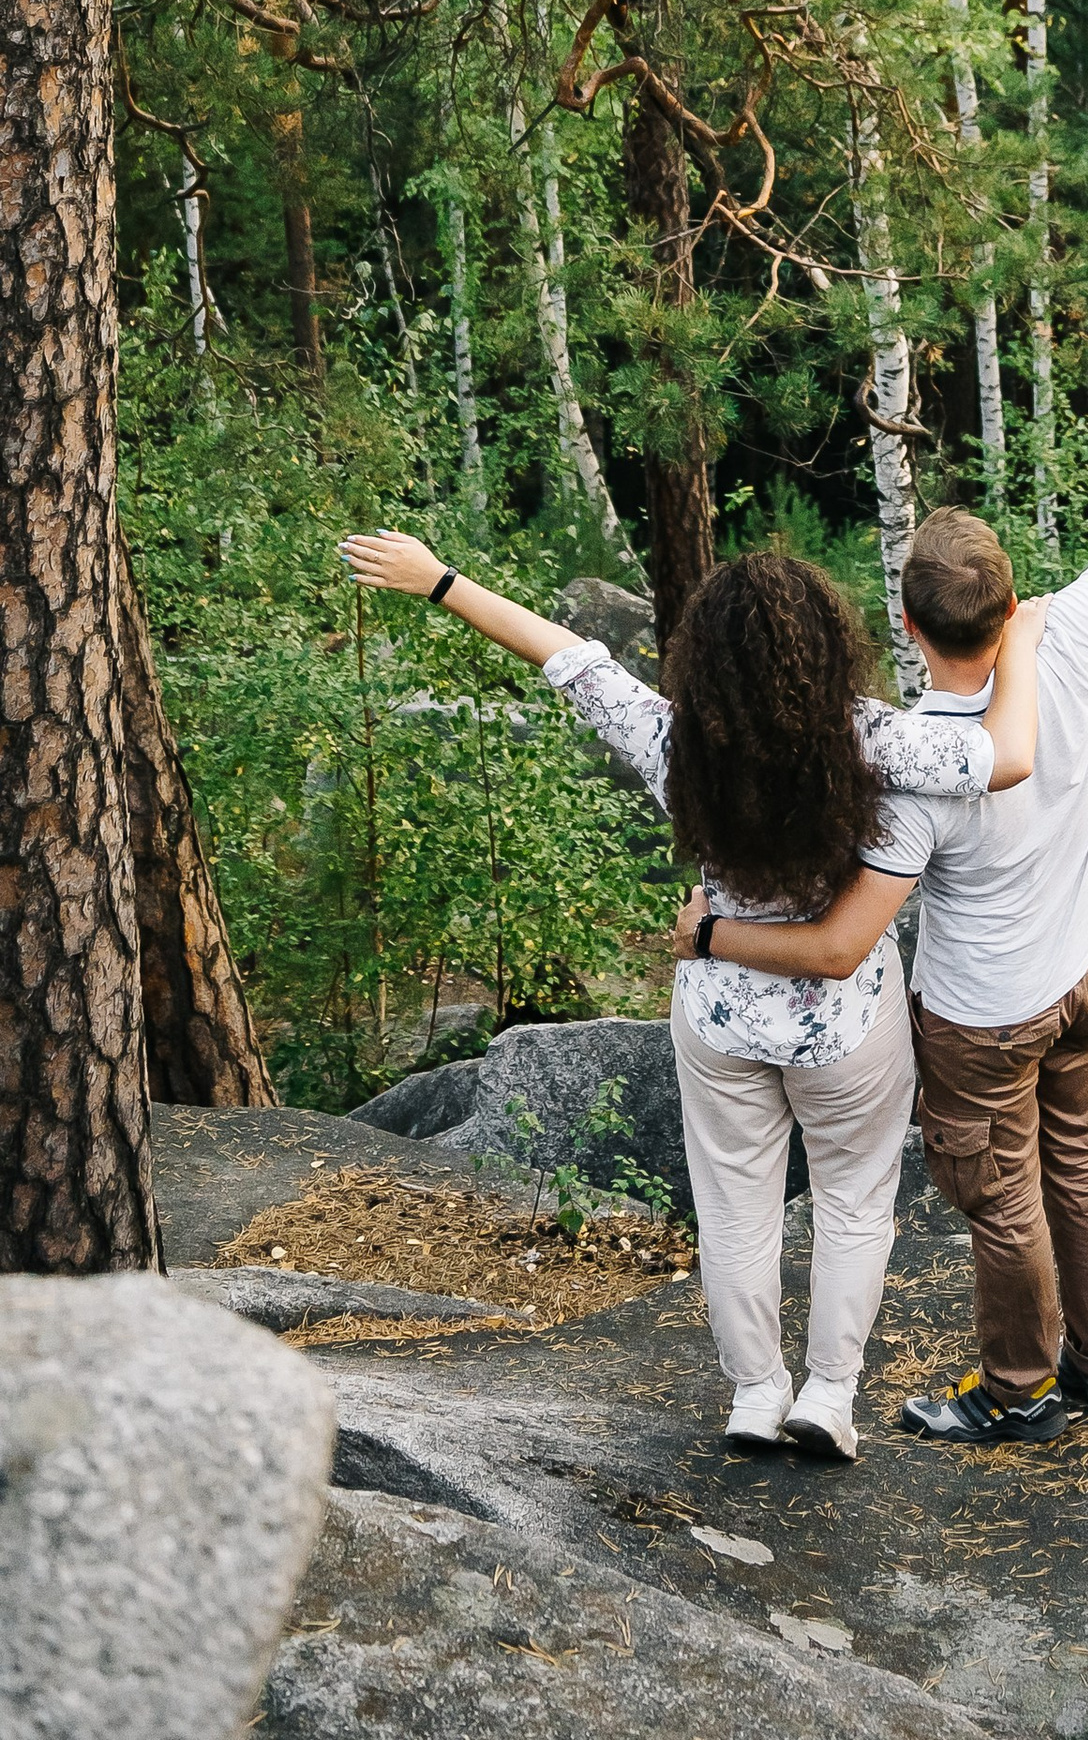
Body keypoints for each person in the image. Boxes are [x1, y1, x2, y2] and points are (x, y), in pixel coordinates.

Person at [697, 267, 1088, 1445]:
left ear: (911, 626)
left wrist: (712, 933)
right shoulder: (1067, 632)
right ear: (1010, 598)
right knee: (1082, 1152)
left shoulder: (906, 768)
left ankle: (1020, 1392)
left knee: (1006, 1197)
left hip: (982, 1016)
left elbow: (838, 946)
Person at [339, 525, 1040, 1462]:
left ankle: (755, 1392)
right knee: (854, 1203)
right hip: (845, 1028)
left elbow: (566, 653)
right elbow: (1008, 758)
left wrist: (440, 581)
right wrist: (1022, 643)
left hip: (717, 1018)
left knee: (736, 1208)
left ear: (700, 656)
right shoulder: (876, 742)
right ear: (832, 647)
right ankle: (829, 1395)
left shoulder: (674, 737)